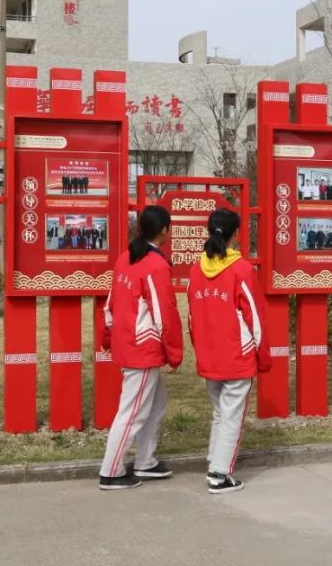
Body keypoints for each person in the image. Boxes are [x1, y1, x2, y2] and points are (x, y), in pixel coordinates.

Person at [98, 205, 183, 490]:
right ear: (165, 231)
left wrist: (107, 337)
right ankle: (111, 471)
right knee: (132, 411)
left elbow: (110, 303)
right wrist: (174, 353)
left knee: (155, 404)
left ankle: (145, 461)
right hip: (142, 348)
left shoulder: (126, 258)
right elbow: (165, 313)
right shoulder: (156, 265)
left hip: (127, 342)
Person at [187, 208, 271, 494]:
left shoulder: (196, 269)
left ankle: (215, 460)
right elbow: (255, 318)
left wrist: (200, 349)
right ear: (237, 233)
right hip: (237, 356)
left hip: (209, 354)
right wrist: (263, 356)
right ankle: (219, 475)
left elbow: (191, 318)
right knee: (232, 415)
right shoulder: (242, 270)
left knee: (220, 412)